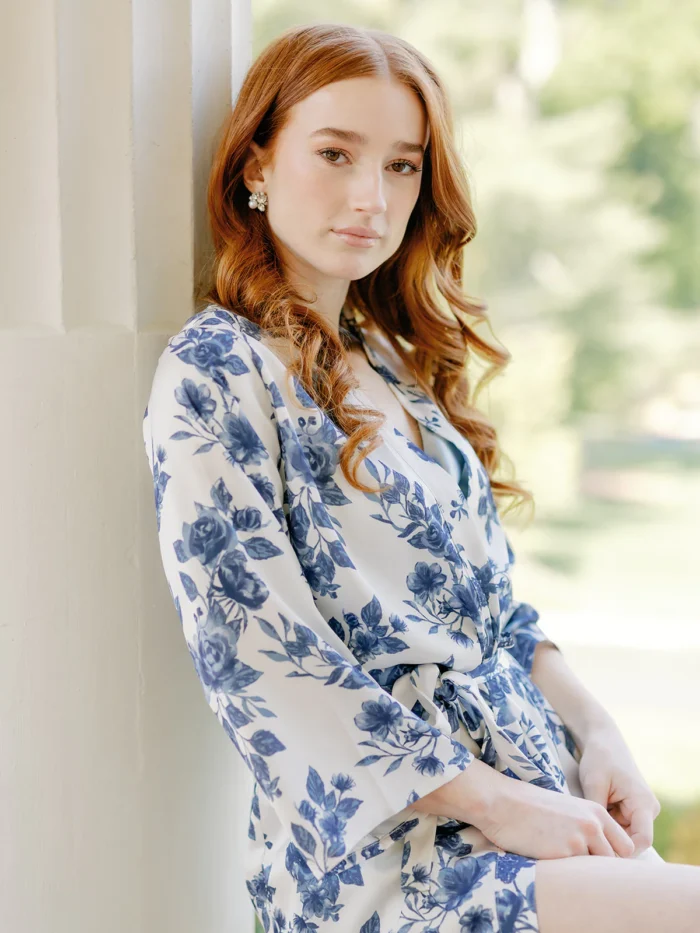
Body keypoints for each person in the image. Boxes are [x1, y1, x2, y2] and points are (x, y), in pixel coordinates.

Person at [142, 22, 700, 933]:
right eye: (335, 153)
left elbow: (497, 613)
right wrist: (500, 804)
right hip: (395, 854)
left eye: (403, 166)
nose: (372, 196)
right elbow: (259, 657)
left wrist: (599, 731)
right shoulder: (217, 370)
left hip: (538, 796)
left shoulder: (395, 361)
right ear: (256, 164)